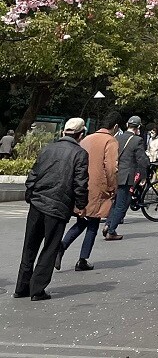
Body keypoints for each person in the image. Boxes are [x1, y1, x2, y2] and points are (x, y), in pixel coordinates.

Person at [16, 117, 89, 300]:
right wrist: (81, 205)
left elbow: (34, 173)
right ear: (81, 135)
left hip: (38, 202)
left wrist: (30, 194)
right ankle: (37, 290)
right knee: (50, 248)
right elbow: (80, 183)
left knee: (29, 246)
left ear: (64, 132)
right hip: (58, 206)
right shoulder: (79, 154)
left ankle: (21, 287)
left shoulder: (48, 148)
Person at [56, 112, 120, 273]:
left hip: (81, 185)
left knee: (83, 220)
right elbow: (111, 168)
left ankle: (62, 247)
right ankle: (82, 259)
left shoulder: (87, 138)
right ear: (116, 127)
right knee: (92, 223)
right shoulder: (110, 141)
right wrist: (113, 187)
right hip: (98, 187)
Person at [103, 115, 150, 240]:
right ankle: (111, 230)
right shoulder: (137, 140)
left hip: (115, 174)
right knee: (121, 204)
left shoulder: (116, 138)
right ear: (138, 127)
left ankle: (108, 224)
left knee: (115, 202)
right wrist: (144, 175)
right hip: (127, 175)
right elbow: (141, 160)